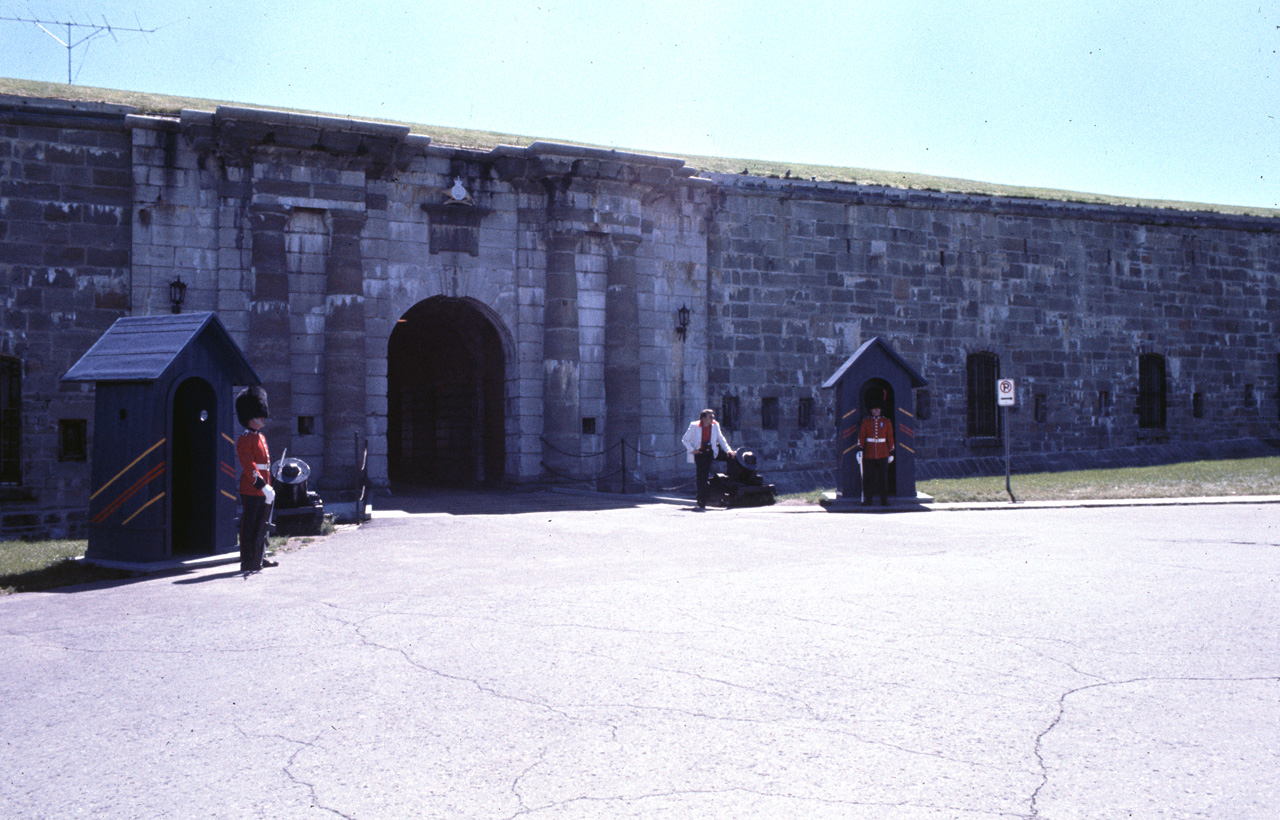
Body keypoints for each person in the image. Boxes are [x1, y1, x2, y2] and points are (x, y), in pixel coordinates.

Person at [235, 386, 278, 572]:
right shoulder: (245, 439)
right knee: (250, 526)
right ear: (250, 418)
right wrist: (262, 486)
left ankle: (259, 557)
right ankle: (247, 560)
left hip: (264, 489)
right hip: (252, 489)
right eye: (259, 415)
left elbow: (265, 466)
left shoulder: (261, 437)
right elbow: (250, 466)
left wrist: (269, 485)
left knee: (263, 524)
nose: (263, 418)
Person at [681, 409, 735, 509]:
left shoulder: (715, 425)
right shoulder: (694, 426)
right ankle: (702, 501)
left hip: (712, 451)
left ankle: (731, 483)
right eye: (710, 417)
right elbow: (685, 440)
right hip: (701, 453)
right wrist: (693, 450)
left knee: (731, 457)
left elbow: (721, 438)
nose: (712, 418)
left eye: (712, 417)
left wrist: (728, 450)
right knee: (702, 478)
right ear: (703, 418)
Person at [856, 404, 895, 507]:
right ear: (871, 410)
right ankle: (868, 500)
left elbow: (890, 436)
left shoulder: (886, 421)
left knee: (883, 478)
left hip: (883, 453)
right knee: (869, 478)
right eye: (874, 409)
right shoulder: (866, 421)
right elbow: (862, 435)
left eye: (878, 409)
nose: (876, 411)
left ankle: (884, 501)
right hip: (869, 453)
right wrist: (860, 448)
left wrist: (891, 451)